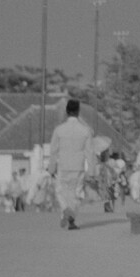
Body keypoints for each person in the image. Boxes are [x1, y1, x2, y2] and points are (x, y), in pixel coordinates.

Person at [48, 99, 94, 231]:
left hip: (63, 165)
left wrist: (51, 168)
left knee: (60, 191)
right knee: (77, 193)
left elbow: (53, 151)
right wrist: (91, 172)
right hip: (78, 166)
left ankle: (65, 209)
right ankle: (71, 219)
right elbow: (90, 153)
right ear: (78, 112)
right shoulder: (85, 130)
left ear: (67, 112)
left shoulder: (59, 130)